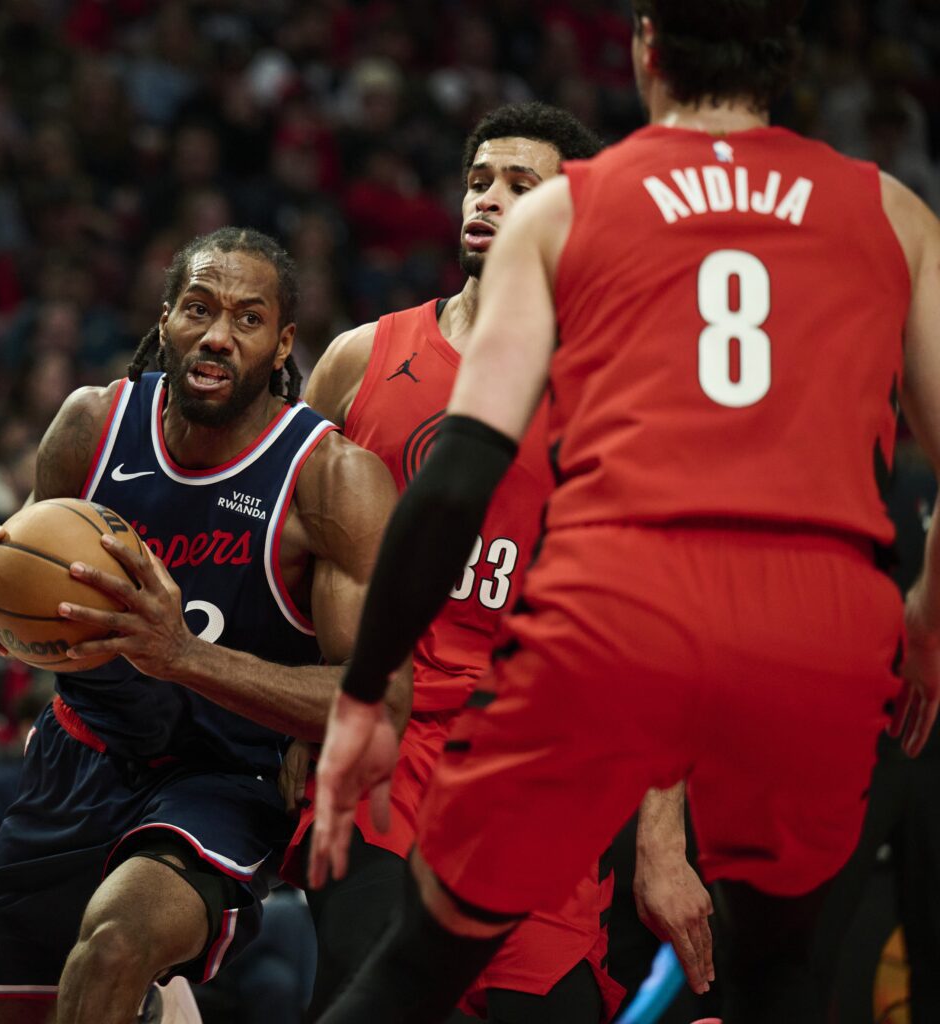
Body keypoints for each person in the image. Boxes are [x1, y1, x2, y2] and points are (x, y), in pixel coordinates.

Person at [308, 1, 940, 1021]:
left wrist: (359, 688)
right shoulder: (895, 211)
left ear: (646, 50)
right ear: (786, 63)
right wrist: (924, 620)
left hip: (625, 603)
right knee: (776, 977)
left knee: (415, 966)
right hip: (820, 626)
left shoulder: (574, 210)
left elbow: (457, 477)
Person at [0, 226, 403, 1023]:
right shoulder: (92, 426)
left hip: (225, 775)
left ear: (282, 342)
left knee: (117, 943)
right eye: (198, 308)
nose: (218, 336)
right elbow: (18, 573)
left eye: (248, 319)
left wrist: (182, 655)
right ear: (164, 319)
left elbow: (379, 703)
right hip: (80, 757)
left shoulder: (330, 479)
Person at [290, 102, 630, 1024]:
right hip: (386, 740)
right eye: (480, 179)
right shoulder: (361, 359)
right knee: (365, 984)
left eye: (523, 186)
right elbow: (282, 555)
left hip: (533, 758)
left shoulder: (613, 396)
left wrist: (666, 845)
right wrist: (289, 721)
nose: (489, 198)